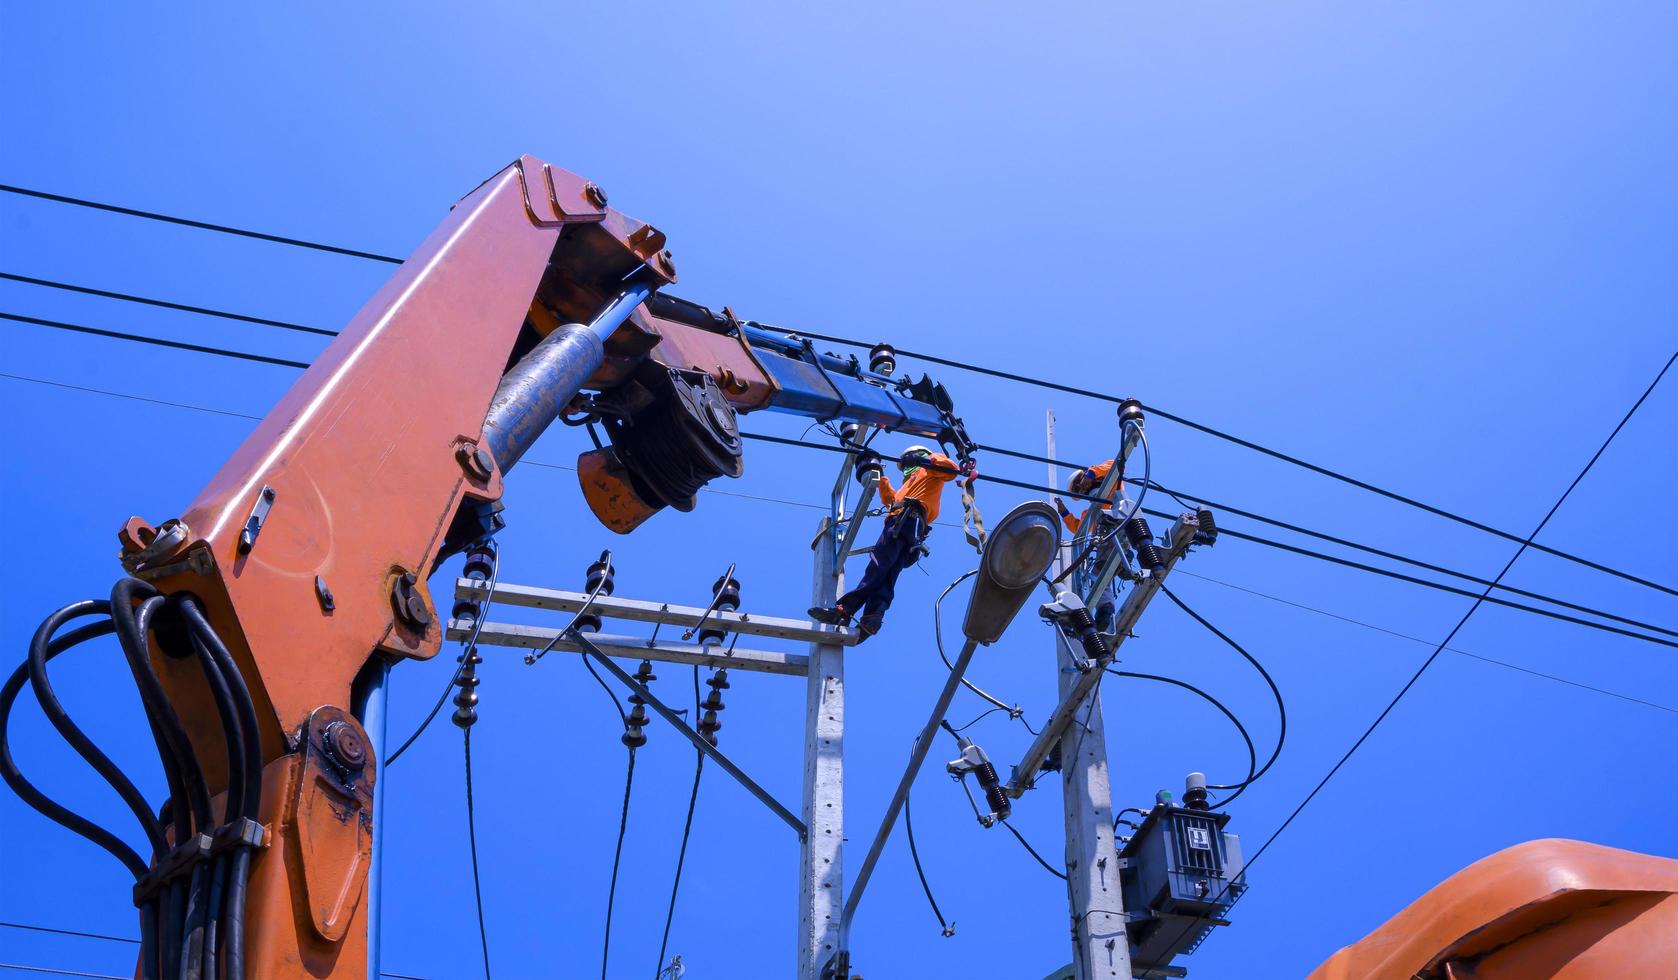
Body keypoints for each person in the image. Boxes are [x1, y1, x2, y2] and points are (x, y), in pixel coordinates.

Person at [809, 445, 975, 640]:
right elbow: (890, 500)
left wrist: (924, 460)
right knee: (888, 573)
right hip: (910, 528)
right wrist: (879, 476)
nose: (906, 468)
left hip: (904, 522)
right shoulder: (909, 485)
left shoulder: (930, 469)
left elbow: (951, 470)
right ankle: (873, 617)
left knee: (878, 567)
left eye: (907, 462)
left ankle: (844, 609)